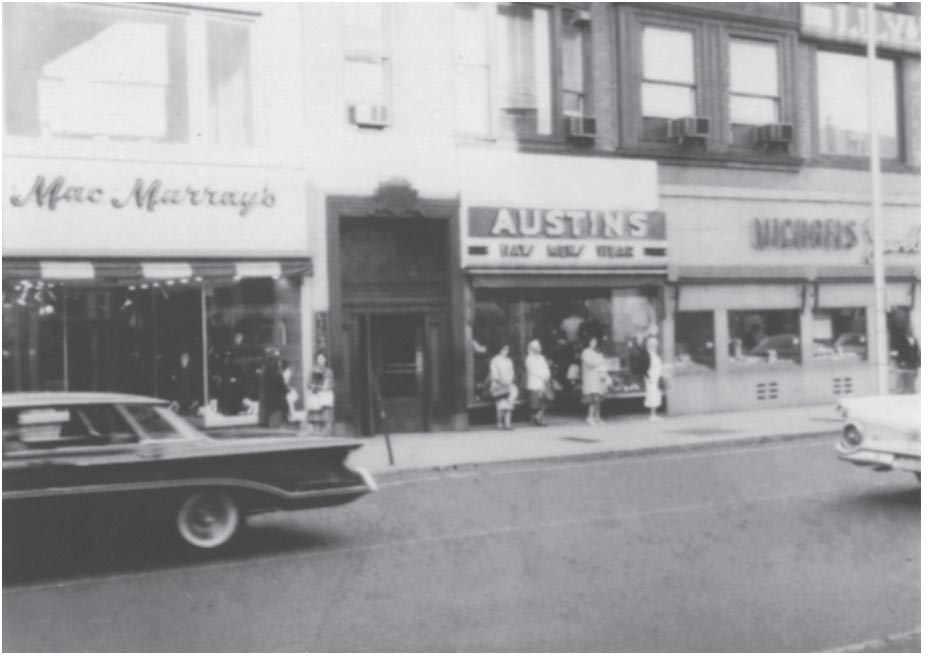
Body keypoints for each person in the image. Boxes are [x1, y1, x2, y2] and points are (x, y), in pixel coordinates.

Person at [258, 348, 289, 428]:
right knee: (276, 426)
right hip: (277, 405)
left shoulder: (265, 371)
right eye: (278, 359)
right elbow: (283, 388)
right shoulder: (275, 374)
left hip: (268, 404)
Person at [581, 336, 608, 426]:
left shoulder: (597, 352)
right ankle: (590, 417)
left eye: (595, 341)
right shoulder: (586, 352)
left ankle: (597, 417)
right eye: (592, 341)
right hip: (591, 379)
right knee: (593, 399)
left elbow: (603, 362)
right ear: (588, 342)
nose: (594, 343)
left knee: (598, 399)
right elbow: (589, 364)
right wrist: (599, 362)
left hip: (598, 378)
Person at [489, 344, 517, 430]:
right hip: (498, 385)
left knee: (509, 404)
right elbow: (494, 373)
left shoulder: (509, 360)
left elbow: (512, 372)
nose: (506, 351)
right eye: (504, 349)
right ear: (499, 350)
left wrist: (509, 381)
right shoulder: (495, 360)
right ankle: (499, 423)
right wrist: (501, 382)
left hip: (508, 384)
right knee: (501, 406)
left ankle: (508, 424)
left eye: (507, 350)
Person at [306, 351, 335, 435]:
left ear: (325, 360)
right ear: (316, 359)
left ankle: (326, 431)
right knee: (315, 413)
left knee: (326, 413)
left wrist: (327, 387)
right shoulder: (312, 371)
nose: (321, 360)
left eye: (322, 358)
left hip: (325, 395)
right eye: (319, 358)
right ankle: (316, 431)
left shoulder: (329, 371)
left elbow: (332, 383)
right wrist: (314, 386)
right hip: (316, 395)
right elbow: (308, 384)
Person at [525, 339, 552, 426]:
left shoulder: (541, 358)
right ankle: (535, 419)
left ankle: (538, 417)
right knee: (535, 404)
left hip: (543, 383)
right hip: (535, 383)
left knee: (544, 402)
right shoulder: (529, 359)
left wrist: (546, 376)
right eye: (536, 348)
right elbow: (534, 371)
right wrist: (543, 376)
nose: (538, 349)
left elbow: (546, 368)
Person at [165, 351, 198, 416]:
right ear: (180, 359)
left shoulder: (194, 371)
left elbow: (197, 386)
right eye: (183, 358)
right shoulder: (175, 370)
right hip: (178, 400)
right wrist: (174, 399)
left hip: (191, 401)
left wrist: (195, 400)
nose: (184, 360)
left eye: (186, 358)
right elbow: (171, 387)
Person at [644, 336, 664, 421]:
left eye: (656, 344)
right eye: (654, 344)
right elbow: (646, 367)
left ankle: (654, 414)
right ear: (650, 345)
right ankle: (652, 415)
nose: (655, 346)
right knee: (653, 395)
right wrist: (649, 377)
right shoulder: (648, 354)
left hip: (656, 377)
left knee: (656, 395)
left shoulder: (654, 354)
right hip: (651, 378)